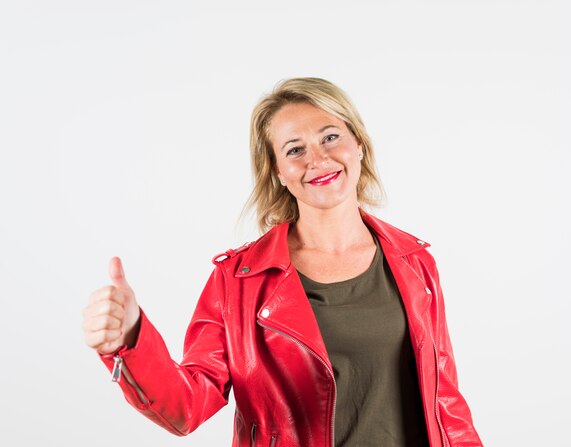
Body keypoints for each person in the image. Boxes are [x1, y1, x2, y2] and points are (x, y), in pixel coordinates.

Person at [82, 77, 483, 447]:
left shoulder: (414, 262)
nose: (318, 158)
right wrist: (130, 339)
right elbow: (187, 407)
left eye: (330, 137)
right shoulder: (238, 280)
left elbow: (445, 400)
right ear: (278, 170)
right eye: (295, 149)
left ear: (358, 144)